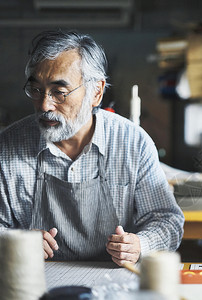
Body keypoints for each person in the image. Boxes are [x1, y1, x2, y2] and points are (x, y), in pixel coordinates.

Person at [0, 30, 184, 266]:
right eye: (36, 90)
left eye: (59, 92)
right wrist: (16, 242)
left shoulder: (132, 143)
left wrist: (141, 245)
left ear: (96, 92)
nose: (44, 104)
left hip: (117, 282)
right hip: (35, 280)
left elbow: (167, 220)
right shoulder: (8, 146)